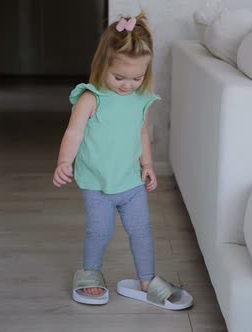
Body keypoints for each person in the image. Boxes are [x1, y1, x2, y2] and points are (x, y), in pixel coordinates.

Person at [53, 12, 193, 310]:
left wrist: (148, 165)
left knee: (141, 230)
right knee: (99, 231)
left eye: (136, 78)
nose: (128, 85)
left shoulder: (139, 98)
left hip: (130, 182)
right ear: (102, 64)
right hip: (97, 184)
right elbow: (74, 132)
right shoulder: (91, 98)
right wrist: (64, 162)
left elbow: (141, 132)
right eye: (119, 77)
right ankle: (90, 273)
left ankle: (146, 281)